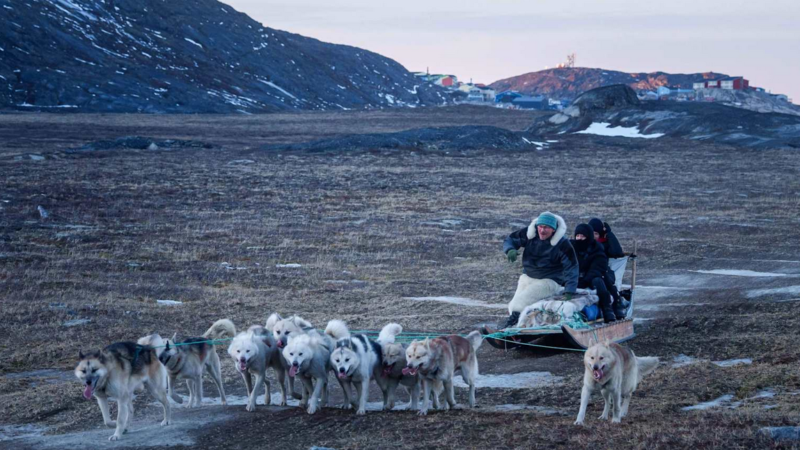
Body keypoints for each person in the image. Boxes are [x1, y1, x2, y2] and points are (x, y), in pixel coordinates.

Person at [497, 211, 578, 329]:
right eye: (540, 226)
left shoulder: (562, 244)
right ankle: (520, 324)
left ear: (554, 230)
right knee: (512, 306)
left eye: (546, 228)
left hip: (549, 281)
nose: (542, 230)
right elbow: (511, 239)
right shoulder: (530, 234)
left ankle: (512, 325)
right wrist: (510, 249)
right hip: (528, 277)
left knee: (520, 302)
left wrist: (570, 290)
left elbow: (571, 267)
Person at [572, 223, 617, 323]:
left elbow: (597, 269)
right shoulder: (571, 249)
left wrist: (585, 280)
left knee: (598, 280)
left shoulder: (597, 250)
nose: (579, 238)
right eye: (577, 236)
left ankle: (607, 310)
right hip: (574, 279)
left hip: (590, 279)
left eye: (582, 236)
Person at [588, 218, 628, 317]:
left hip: (602, 272)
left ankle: (612, 305)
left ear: (601, 234)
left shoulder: (604, 245)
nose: (593, 236)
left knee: (602, 281)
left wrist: (609, 233)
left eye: (596, 233)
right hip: (587, 273)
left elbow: (617, 252)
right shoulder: (582, 244)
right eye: (591, 233)